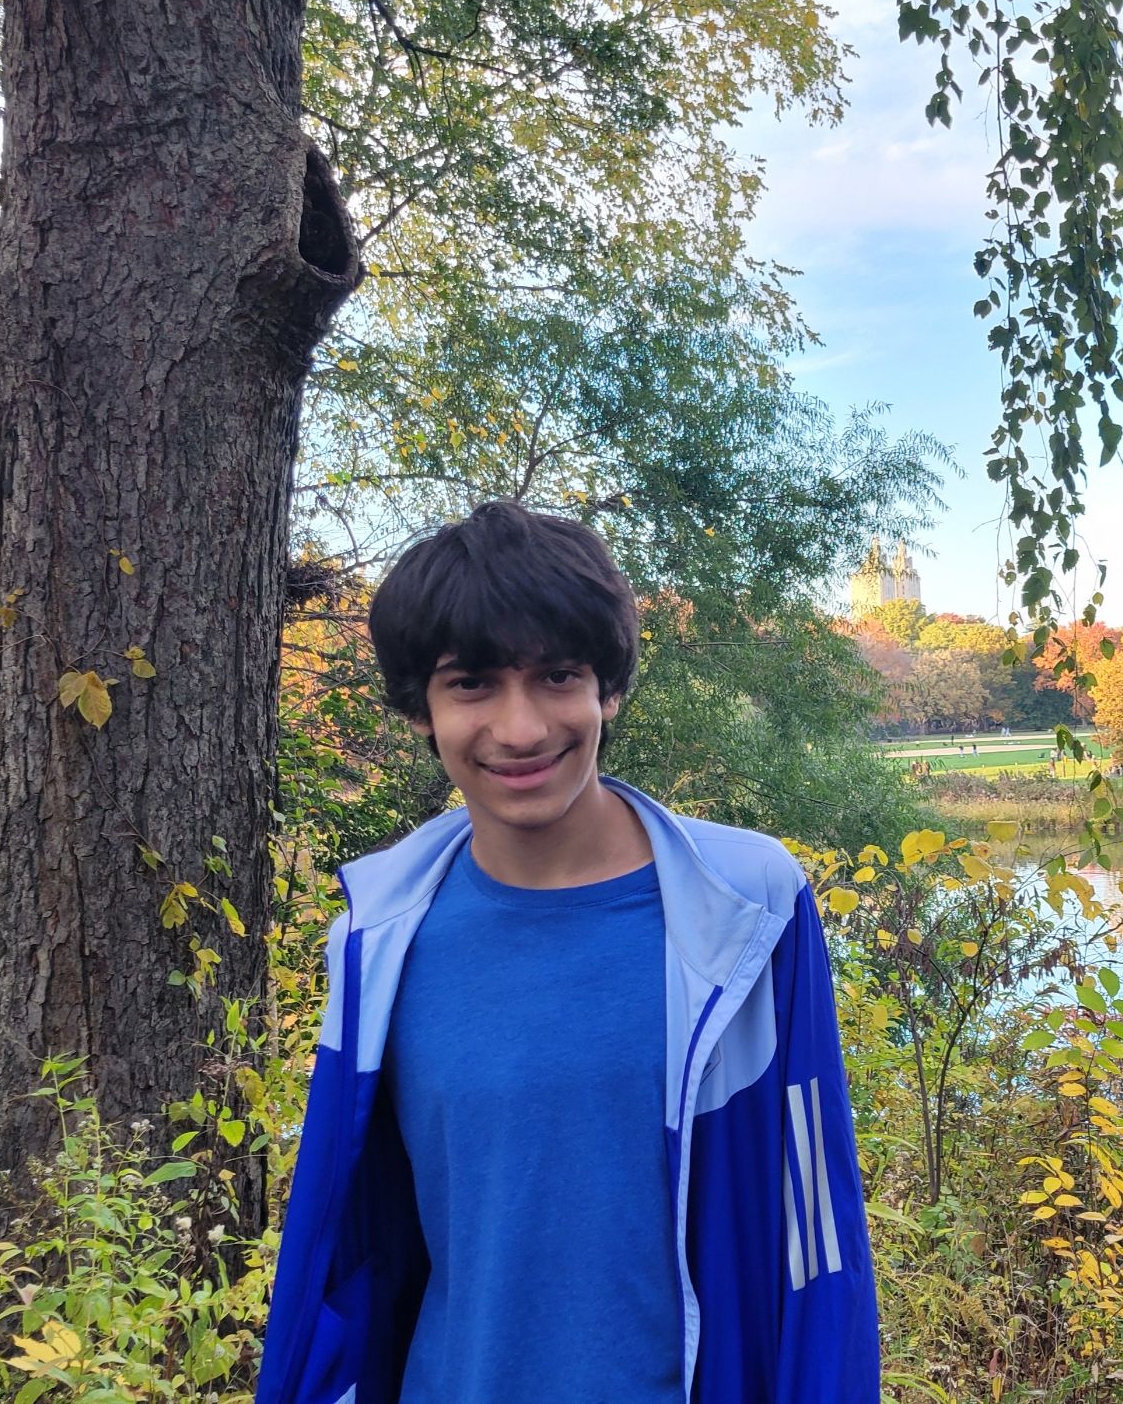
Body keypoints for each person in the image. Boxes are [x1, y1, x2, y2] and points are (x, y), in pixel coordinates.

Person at [258, 503, 878, 1404]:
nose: (519, 728)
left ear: (608, 691)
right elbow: (343, 1249)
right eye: (470, 683)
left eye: (557, 675)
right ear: (420, 711)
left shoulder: (748, 907)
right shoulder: (375, 940)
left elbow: (816, 1234)